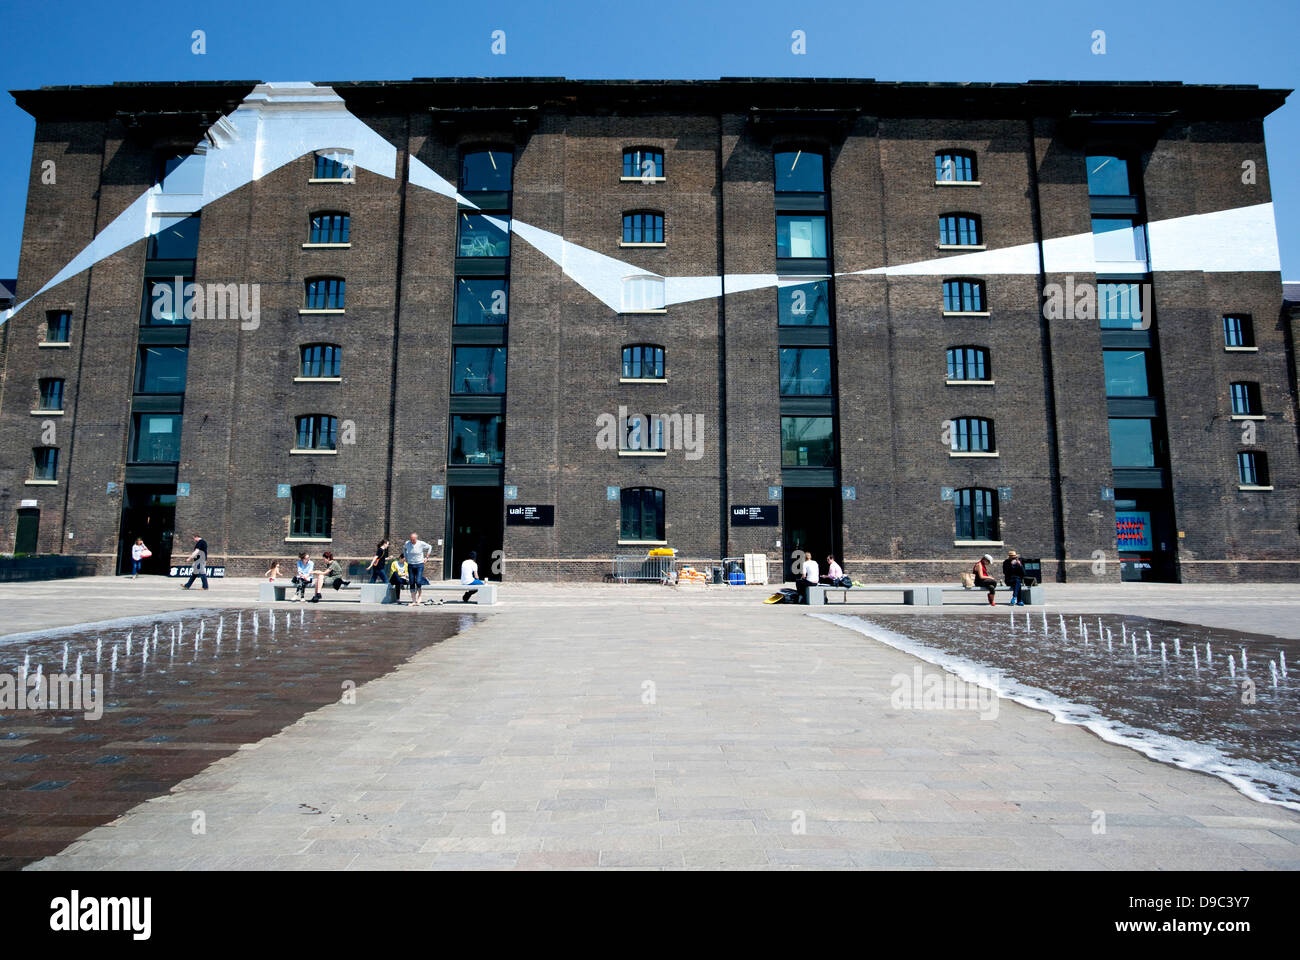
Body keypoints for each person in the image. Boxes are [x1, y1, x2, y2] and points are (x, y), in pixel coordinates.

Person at [403, 532, 433, 607]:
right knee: (412, 581)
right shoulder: (407, 543)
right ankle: (413, 600)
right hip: (410, 564)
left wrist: (426, 557)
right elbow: (404, 548)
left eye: (413, 539)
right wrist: (405, 556)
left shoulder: (421, 543)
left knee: (418, 581)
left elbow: (430, 547)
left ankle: (419, 596)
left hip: (419, 564)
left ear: (416, 538)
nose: (412, 541)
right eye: (411, 539)